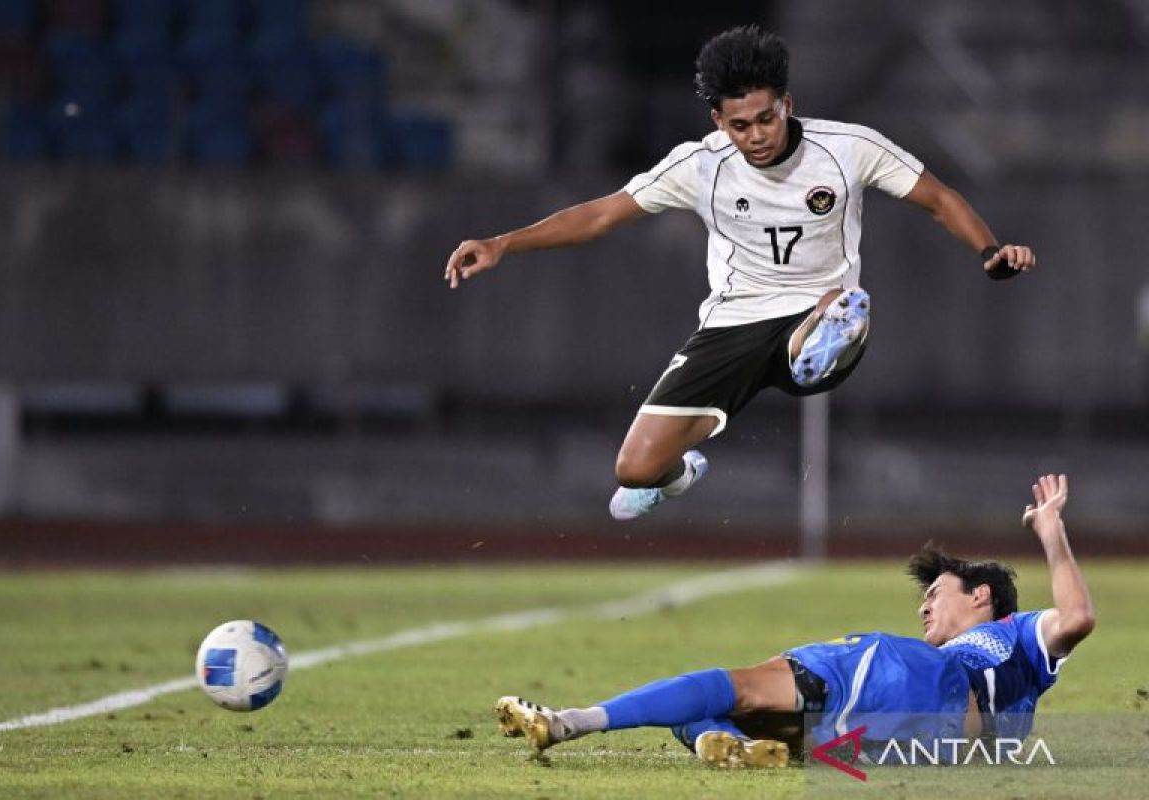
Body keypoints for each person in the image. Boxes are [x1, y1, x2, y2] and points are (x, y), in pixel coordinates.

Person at [444, 25, 1037, 520]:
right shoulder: (701, 165)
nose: (755, 136)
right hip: (732, 324)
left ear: (787, 104)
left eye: (765, 118)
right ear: (718, 120)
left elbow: (937, 197)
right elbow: (602, 214)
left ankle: (834, 332)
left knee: (833, 314)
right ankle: (679, 473)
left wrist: (989, 251)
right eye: (739, 125)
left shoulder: (849, 149)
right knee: (635, 468)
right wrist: (504, 243)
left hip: (812, 311)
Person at [494, 474, 1094, 769]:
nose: (925, 606)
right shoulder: (1019, 686)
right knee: (744, 714)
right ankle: (717, 741)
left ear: (983, 597)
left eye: (937, 592)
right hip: (896, 749)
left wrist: (1051, 531)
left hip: (909, 690)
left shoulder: (1014, 636)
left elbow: (1078, 615)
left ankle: (572, 721)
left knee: (742, 685)